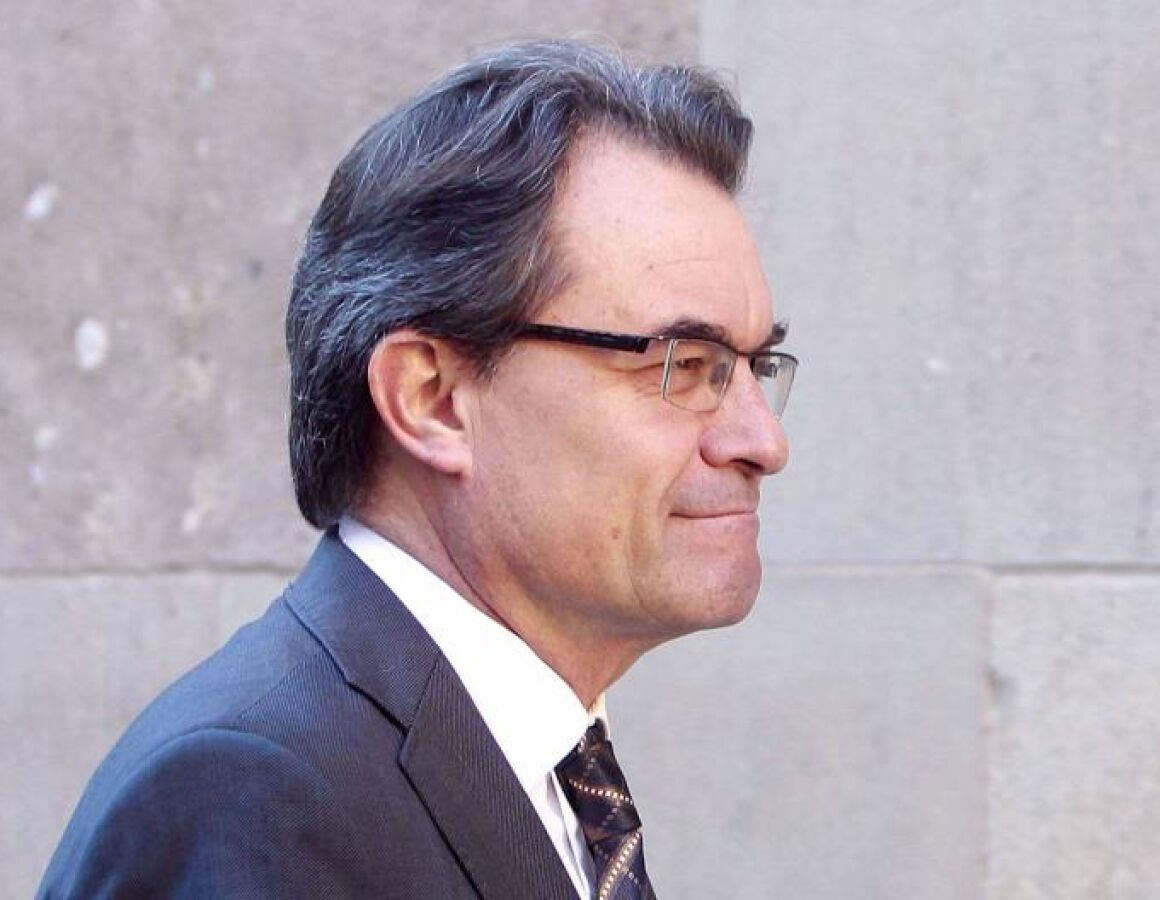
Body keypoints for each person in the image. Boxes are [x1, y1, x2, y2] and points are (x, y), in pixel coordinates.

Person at [39, 39, 793, 900]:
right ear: (430, 399)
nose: (763, 440)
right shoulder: (257, 793)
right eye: (684, 365)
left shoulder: (533, 767)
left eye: (754, 366)